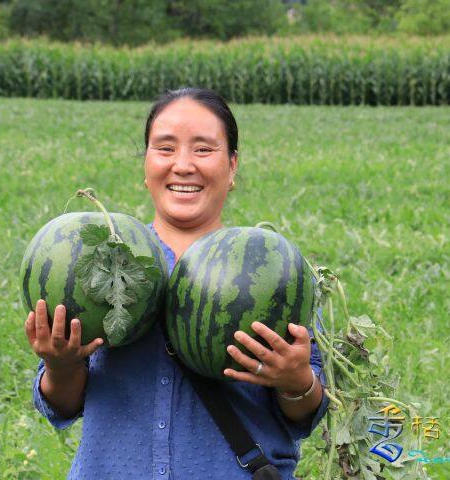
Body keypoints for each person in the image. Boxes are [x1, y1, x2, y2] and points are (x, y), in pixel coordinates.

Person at [24, 87, 330, 479]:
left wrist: (296, 380)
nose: (183, 165)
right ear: (146, 164)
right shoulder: (100, 259)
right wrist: (59, 364)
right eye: (165, 148)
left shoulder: (272, 269)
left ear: (232, 166)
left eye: (203, 149)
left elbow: (306, 413)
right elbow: (62, 405)